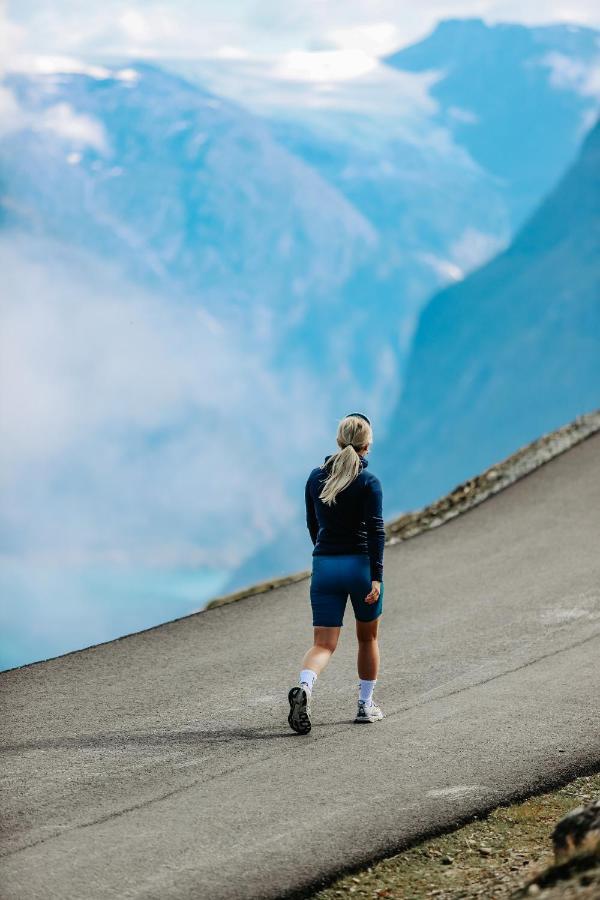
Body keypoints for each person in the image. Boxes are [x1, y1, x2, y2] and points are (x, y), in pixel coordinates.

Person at [288, 412, 385, 735]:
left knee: (324, 644)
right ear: (367, 446)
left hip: (325, 566)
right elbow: (375, 531)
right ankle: (365, 705)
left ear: (338, 440)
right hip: (359, 566)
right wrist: (376, 576)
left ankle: (305, 687)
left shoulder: (316, 478)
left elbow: (312, 524)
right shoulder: (369, 482)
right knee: (367, 637)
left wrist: (324, 551)